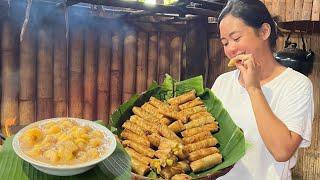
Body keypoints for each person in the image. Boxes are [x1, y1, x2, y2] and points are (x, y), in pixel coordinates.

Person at [211, 0, 314, 180]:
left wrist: (253, 88)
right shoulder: (223, 83)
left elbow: (282, 151)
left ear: (264, 31)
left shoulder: (296, 84)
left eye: (236, 38)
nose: (231, 49)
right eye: (225, 43)